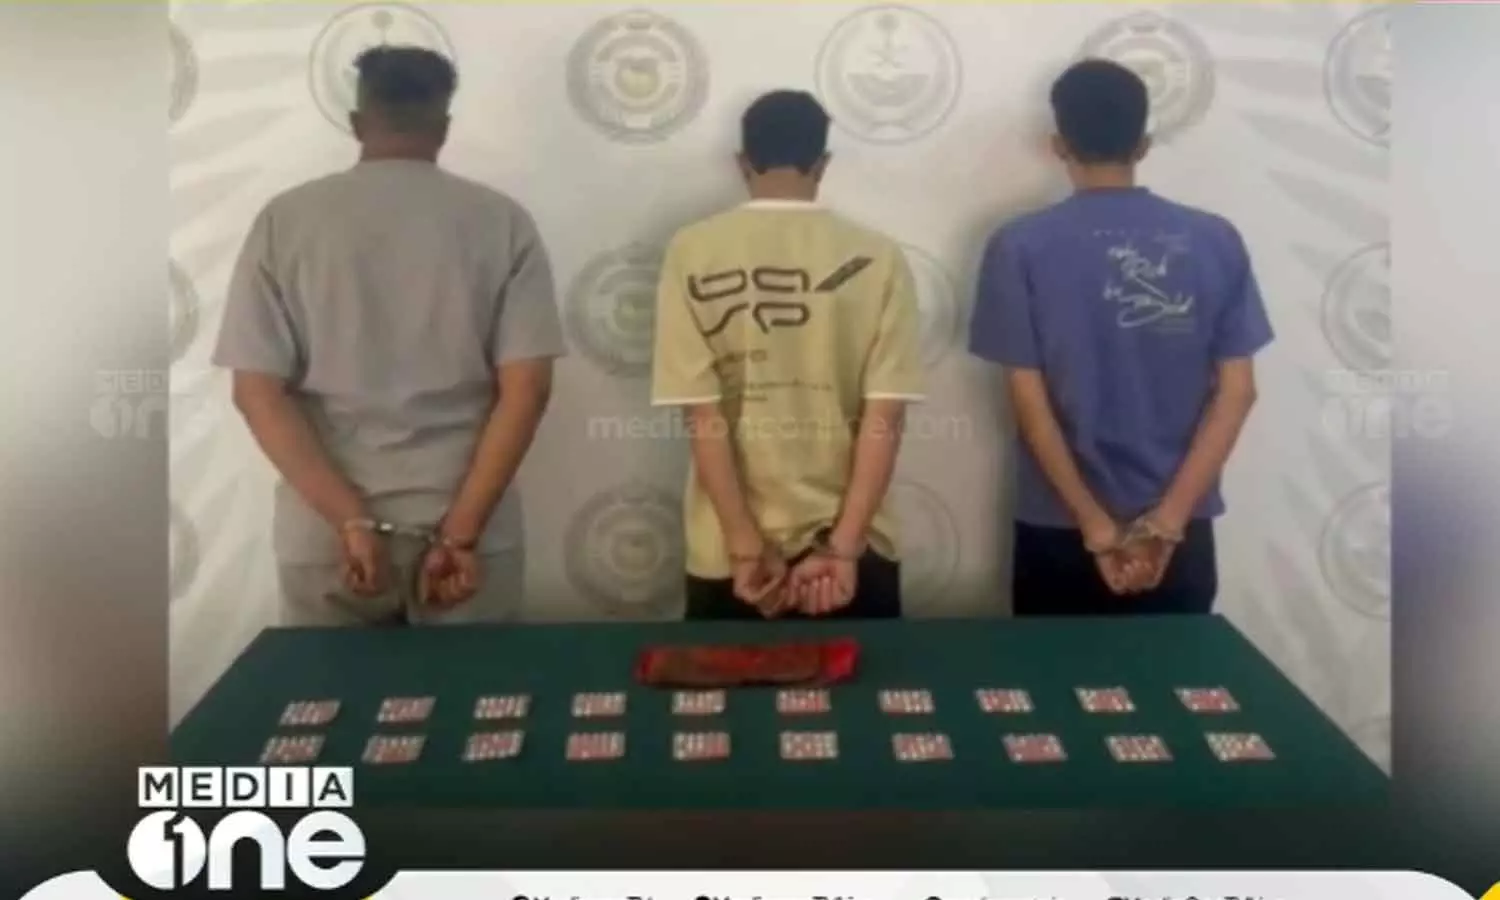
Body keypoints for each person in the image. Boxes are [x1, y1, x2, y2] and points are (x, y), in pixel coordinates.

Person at [212, 46, 564, 627]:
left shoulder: (285, 221)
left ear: (357, 123)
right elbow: (528, 391)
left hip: (329, 542)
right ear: (444, 128)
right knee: (475, 689)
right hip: (469, 541)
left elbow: (256, 393)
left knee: (325, 690)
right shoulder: (502, 222)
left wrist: (350, 522)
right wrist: (460, 534)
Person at [968, 59, 1273, 616]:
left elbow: (1030, 405)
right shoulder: (1215, 239)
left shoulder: (1018, 246)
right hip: (1179, 531)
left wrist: (1095, 527)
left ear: (1059, 145)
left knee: (1052, 672)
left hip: (1059, 526)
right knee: (1177, 674)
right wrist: (1167, 523)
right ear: (1143, 145)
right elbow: (1238, 393)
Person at [650, 90, 925, 620]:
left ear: (742, 162)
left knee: (720, 679)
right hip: (854, 551)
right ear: (823, 163)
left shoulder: (692, 250)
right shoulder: (879, 257)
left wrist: (744, 546)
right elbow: (885, 418)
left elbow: (703, 416)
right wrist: (841, 548)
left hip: (731, 555)